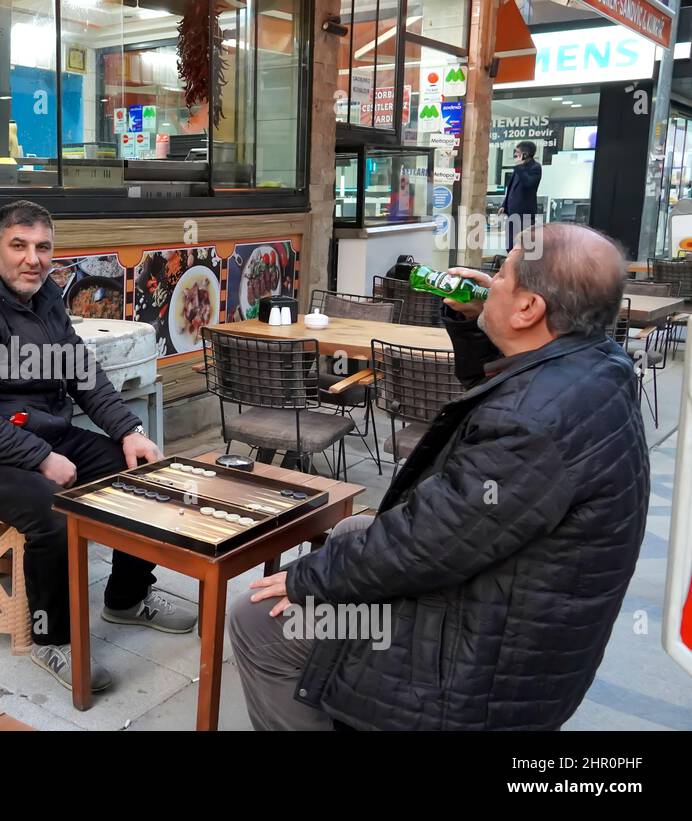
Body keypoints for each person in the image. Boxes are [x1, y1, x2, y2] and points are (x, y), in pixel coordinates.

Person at [228, 222, 649, 730]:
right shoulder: (596, 364)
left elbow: (424, 545)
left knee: (257, 620)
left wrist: (306, 580)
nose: (487, 282)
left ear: (528, 310)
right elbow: (503, 384)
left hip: (483, 658)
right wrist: (478, 323)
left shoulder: (532, 425)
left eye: (501, 277)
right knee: (349, 531)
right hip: (518, 599)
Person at [0, 200, 198, 692]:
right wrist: (40, 458)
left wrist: (129, 430)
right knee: (53, 514)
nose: (32, 259)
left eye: (43, 248)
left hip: (41, 430)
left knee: (138, 478)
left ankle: (126, 598)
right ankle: (53, 638)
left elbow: (83, 374)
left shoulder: (46, 299)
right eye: (19, 246)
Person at [498, 141, 542, 253]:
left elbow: (529, 184)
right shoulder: (519, 167)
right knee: (510, 243)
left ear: (525, 154)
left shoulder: (535, 168)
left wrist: (519, 167)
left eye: (517, 152)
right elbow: (511, 187)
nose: (515, 155)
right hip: (512, 213)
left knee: (522, 244)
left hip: (525, 214)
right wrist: (504, 205)